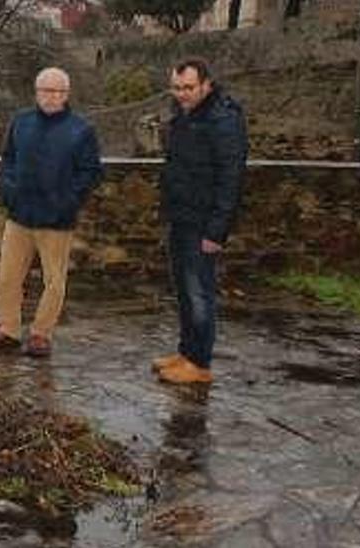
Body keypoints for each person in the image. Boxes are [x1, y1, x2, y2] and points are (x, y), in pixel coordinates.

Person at [0, 67, 104, 358]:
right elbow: (8, 160)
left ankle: (40, 334)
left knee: (54, 281)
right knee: (8, 276)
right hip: (19, 215)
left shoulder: (81, 130)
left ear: (67, 94)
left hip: (57, 221)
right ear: (37, 92)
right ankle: (8, 328)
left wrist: (67, 202)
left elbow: (91, 172)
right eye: (48, 91)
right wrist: (9, 191)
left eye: (60, 91)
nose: (54, 97)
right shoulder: (21, 123)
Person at [153, 58, 248, 384]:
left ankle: (200, 363)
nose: (182, 94)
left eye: (189, 88)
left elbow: (230, 180)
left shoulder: (222, 120)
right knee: (183, 289)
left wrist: (217, 230)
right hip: (181, 217)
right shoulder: (184, 115)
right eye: (177, 88)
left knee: (199, 292)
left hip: (203, 223)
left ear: (206, 84)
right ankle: (186, 352)